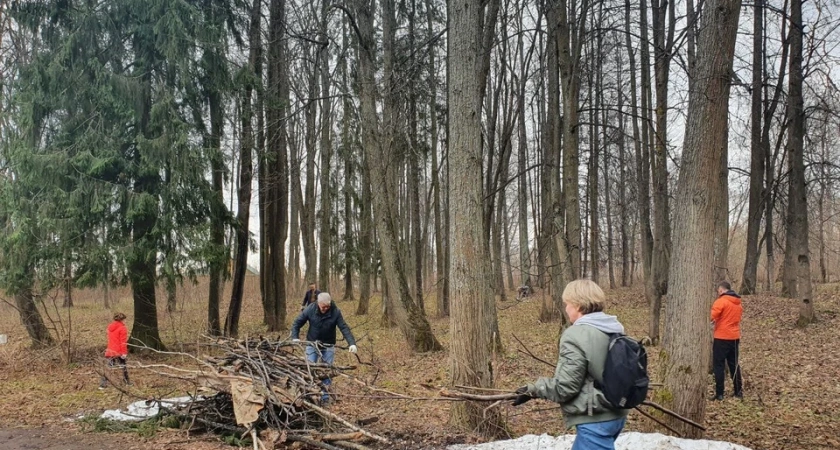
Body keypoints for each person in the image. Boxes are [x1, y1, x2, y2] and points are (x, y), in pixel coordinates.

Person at [512, 279, 628, 450]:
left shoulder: (575, 335)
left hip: (596, 419)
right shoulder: (613, 328)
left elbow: (566, 387)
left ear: (578, 305)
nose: (566, 309)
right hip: (617, 415)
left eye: (567, 304)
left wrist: (534, 389)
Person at [290, 292, 357, 403]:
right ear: (318, 303)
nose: (325, 308)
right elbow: (297, 322)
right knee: (309, 368)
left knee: (327, 370)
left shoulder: (335, 312)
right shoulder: (310, 309)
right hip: (312, 343)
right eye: (323, 306)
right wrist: (295, 337)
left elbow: (344, 327)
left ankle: (325, 397)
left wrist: (352, 343)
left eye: (327, 306)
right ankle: (310, 395)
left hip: (328, 344)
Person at [711, 280, 743, 400]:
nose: (718, 293)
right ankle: (738, 391)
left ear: (723, 290)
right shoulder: (738, 303)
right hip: (734, 337)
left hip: (721, 337)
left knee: (718, 365)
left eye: (719, 290)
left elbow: (710, 316)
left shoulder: (721, 301)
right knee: (734, 365)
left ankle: (719, 394)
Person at [100, 312, 130, 389]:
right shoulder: (123, 328)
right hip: (119, 351)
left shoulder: (110, 327)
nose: (125, 321)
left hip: (110, 350)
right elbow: (123, 342)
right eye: (124, 320)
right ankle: (127, 381)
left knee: (108, 368)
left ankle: (103, 384)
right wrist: (124, 353)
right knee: (123, 366)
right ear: (122, 320)